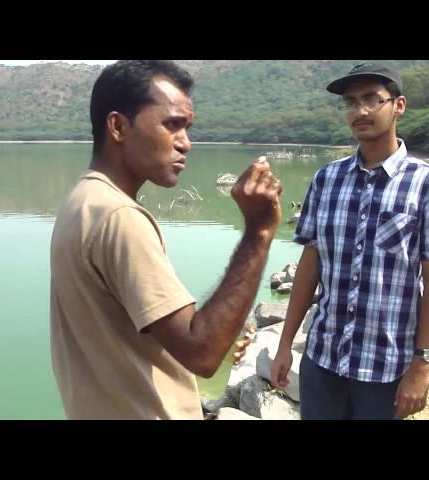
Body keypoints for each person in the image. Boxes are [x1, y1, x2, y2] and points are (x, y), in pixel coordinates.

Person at [50, 60, 282, 420]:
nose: (185, 144)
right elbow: (202, 351)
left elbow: (146, 336)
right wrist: (259, 232)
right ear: (117, 126)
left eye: (187, 128)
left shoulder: (83, 201)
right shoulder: (119, 217)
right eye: (171, 125)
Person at [270, 63, 429, 419]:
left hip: (386, 368)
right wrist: (285, 345)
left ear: (398, 105)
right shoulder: (327, 179)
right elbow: (310, 266)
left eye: (373, 100)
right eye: (351, 102)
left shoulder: (428, 185)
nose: (360, 111)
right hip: (323, 359)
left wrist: (422, 366)